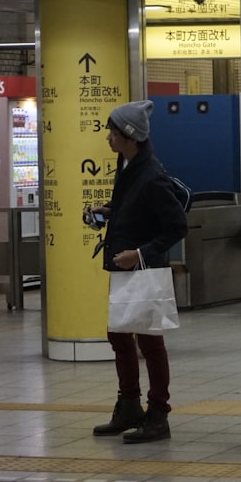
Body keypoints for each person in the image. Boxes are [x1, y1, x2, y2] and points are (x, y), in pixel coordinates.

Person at [87, 100, 188, 443]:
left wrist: (140, 253)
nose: (108, 138)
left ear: (130, 136)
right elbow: (132, 207)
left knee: (149, 340)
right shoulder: (128, 165)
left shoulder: (151, 176)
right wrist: (108, 211)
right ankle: (128, 404)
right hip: (125, 266)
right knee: (119, 335)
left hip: (143, 270)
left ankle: (158, 414)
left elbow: (177, 226)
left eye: (113, 132)